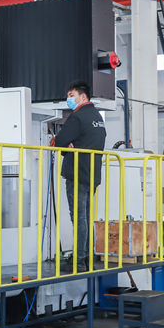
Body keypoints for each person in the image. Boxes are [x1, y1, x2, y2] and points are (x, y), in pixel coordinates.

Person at [53, 80, 106, 271]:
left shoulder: (77, 117)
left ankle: (78, 261)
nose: (68, 99)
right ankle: (88, 258)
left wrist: (66, 147)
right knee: (86, 217)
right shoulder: (97, 117)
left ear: (82, 97)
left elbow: (59, 141)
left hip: (77, 172)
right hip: (92, 173)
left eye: (71, 95)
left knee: (79, 218)